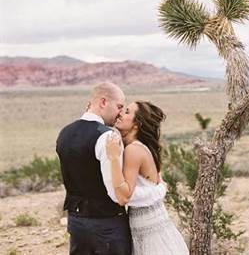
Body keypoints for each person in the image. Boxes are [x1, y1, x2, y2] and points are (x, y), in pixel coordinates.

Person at [56, 82, 132, 255]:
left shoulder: (64, 133)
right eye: (119, 106)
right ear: (104, 102)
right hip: (106, 225)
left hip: (75, 223)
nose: (120, 113)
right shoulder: (107, 136)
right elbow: (115, 193)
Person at [106, 101, 189, 255]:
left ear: (136, 124)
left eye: (127, 112)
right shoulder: (137, 146)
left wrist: (113, 158)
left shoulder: (133, 150)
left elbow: (125, 195)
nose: (120, 114)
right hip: (148, 226)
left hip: (151, 234)